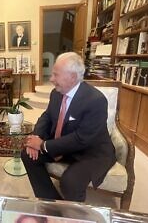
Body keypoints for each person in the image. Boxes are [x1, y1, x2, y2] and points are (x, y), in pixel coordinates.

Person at [22, 52, 116, 202]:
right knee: (27, 155)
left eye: (55, 75)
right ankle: (52, 204)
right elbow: (47, 116)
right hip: (63, 143)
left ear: (72, 77)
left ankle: (72, 214)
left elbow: (82, 139)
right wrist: (37, 137)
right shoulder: (56, 93)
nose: (51, 79)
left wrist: (43, 145)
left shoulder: (96, 100)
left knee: (70, 182)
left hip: (89, 152)